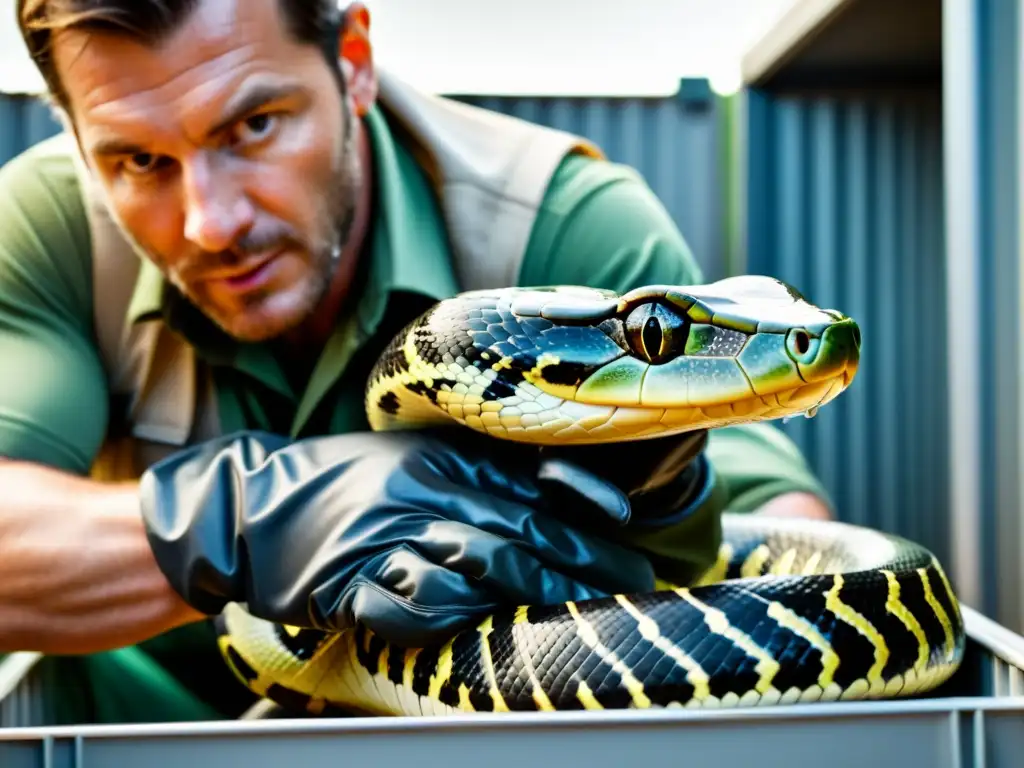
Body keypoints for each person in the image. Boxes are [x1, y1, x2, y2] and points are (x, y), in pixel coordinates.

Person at [0, 0, 833, 725]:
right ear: (74, 136)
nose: (210, 223)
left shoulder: (565, 224)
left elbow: (795, 548)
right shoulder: (49, 229)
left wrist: (659, 487)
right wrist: (252, 518)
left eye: (252, 126)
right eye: (137, 161)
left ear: (353, 62)